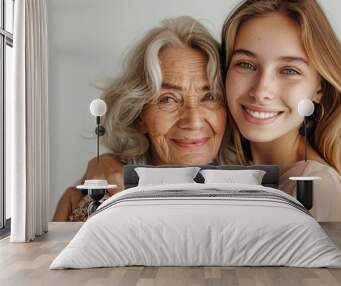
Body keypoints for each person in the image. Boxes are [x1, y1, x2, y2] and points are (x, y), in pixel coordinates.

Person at [53, 16, 237, 222]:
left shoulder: (253, 188)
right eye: (168, 99)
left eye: (210, 97)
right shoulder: (99, 201)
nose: (193, 120)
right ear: (140, 114)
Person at [221, 0, 341, 222]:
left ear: (320, 88)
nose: (261, 91)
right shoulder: (239, 171)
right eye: (246, 64)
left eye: (289, 70)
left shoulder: (317, 190)